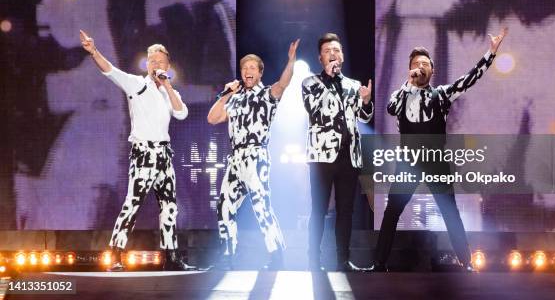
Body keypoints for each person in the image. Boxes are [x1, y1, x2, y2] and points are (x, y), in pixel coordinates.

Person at [371, 27, 508, 272]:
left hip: (435, 160)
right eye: (416, 63)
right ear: (409, 69)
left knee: (449, 212)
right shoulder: (401, 95)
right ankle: (379, 263)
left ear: (432, 71)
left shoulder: (442, 94)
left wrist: (491, 52)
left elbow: (469, 79)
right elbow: (391, 109)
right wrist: (408, 85)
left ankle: (466, 262)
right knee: (392, 211)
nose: (420, 66)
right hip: (409, 162)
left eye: (425, 63)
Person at [79, 29, 195, 272]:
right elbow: (110, 70)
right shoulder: (136, 85)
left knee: (169, 206)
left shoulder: (169, 92)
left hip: (164, 154)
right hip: (143, 154)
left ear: (167, 65)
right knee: (132, 203)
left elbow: (182, 113)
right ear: (147, 64)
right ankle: (116, 256)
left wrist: (168, 87)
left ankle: (171, 257)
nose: (156, 64)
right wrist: (93, 51)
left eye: (160, 61)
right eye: (152, 61)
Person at [207, 39, 300, 270]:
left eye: (252, 68)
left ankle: (277, 254)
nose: (247, 71)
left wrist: (291, 61)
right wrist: (227, 94)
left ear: (259, 73)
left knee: (261, 207)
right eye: (244, 68)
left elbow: (283, 84)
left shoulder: (267, 95)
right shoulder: (235, 99)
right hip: (235, 159)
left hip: (256, 156)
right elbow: (212, 118)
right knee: (224, 206)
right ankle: (228, 255)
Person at [302, 33, 373, 272]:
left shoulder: (353, 85)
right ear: (320, 58)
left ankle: (342, 260)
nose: (333, 54)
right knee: (319, 209)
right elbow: (315, 113)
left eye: (337, 50)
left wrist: (366, 102)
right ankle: (313, 260)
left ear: (342, 55)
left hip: (349, 156)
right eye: (328, 51)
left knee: (346, 211)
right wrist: (328, 83)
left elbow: (363, 118)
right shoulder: (310, 83)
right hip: (322, 156)